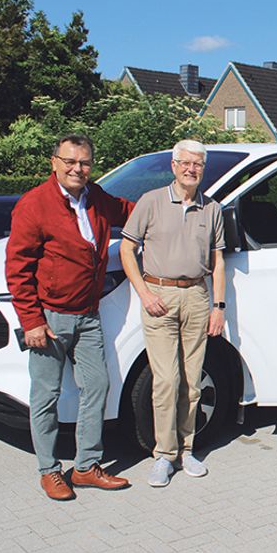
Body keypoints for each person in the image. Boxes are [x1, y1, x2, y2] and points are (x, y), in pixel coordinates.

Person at [5, 134, 135, 501]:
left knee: (97, 386)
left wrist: (171, 204)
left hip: (88, 316)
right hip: (50, 319)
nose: (78, 168)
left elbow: (131, 211)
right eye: (70, 161)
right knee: (45, 396)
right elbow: (17, 268)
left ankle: (86, 467)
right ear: (54, 163)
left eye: (85, 162)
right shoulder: (35, 204)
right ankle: (49, 470)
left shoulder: (96, 198)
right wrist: (31, 320)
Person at [119, 140, 226, 488]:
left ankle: (187, 449)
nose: (191, 169)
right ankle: (164, 455)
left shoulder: (212, 209)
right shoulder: (150, 202)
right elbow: (127, 249)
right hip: (159, 296)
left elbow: (218, 262)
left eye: (198, 164)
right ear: (174, 166)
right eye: (186, 163)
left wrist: (218, 306)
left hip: (196, 295)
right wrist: (144, 293)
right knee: (166, 380)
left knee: (192, 382)